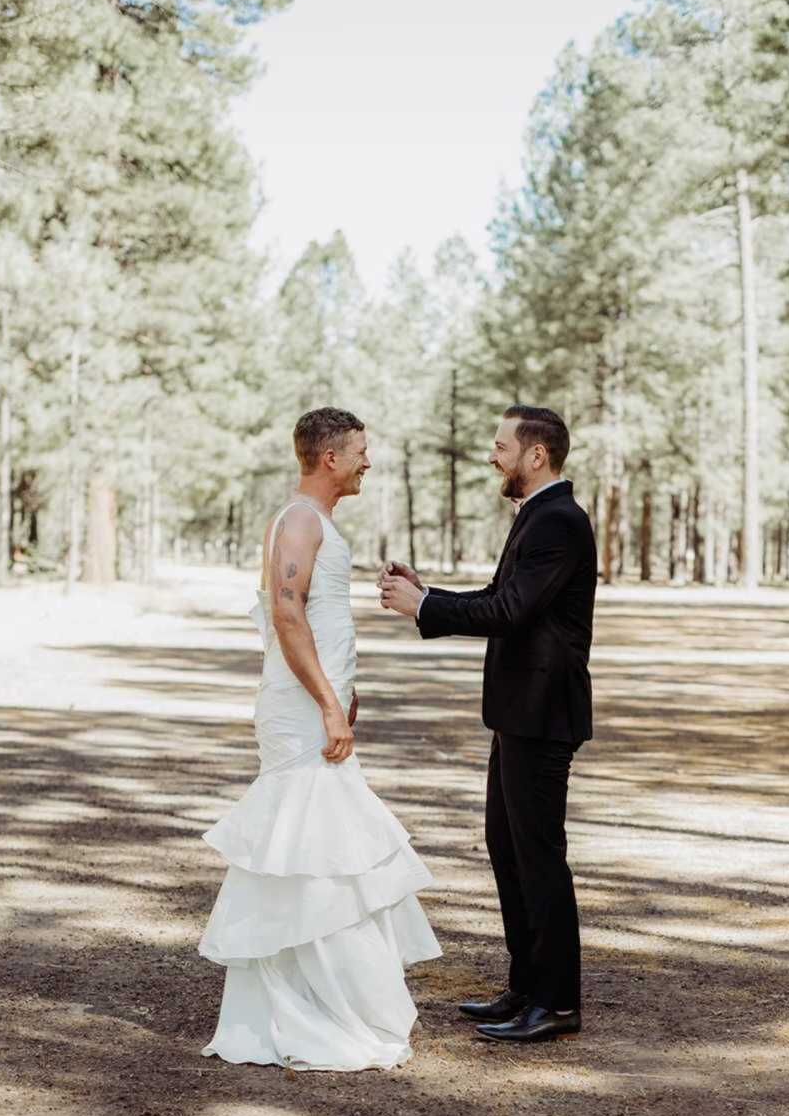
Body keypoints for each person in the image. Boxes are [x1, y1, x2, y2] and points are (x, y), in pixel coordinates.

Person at [199, 407, 442, 1071]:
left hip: (317, 701)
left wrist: (344, 688)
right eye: (361, 451)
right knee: (319, 847)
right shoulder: (302, 520)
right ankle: (323, 1009)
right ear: (330, 457)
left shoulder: (317, 522)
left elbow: (318, 617)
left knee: (321, 849)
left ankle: (311, 999)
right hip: (304, 712)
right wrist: (330, 704)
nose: (368, 462)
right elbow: (285, 611)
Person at [379, 405, 595, 1044]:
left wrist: (425, 607)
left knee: (539, 858)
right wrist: (434, 595)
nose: (492, 454)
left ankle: (556, 1003)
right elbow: (506, 600)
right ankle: (526, 988)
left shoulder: (558, 520)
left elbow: (510, 610)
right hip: (517, 714)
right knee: (509, 852)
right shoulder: (539, 515)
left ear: (537, 454)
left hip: (543, 716)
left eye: (502, 445)